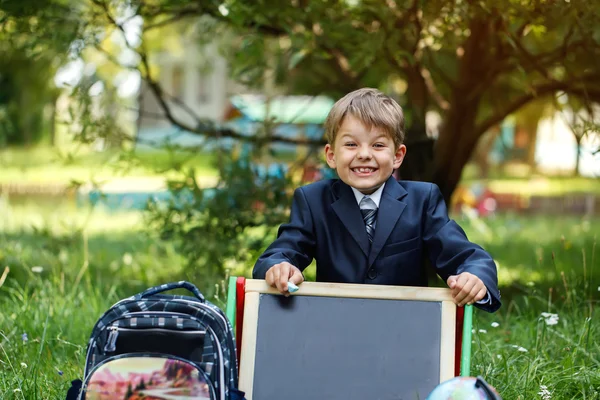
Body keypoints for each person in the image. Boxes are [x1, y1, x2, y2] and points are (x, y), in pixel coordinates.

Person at [253, 88, 500, 312]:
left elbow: (466, 256)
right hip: (336, 327)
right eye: (351, 144)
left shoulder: (423, 200)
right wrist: (280, 267)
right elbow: (279, 254)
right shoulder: (312, 200)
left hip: (407, 330)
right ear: (331, 155)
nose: (364, 154)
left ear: (397, 156)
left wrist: (474, 275)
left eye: (378, 145)